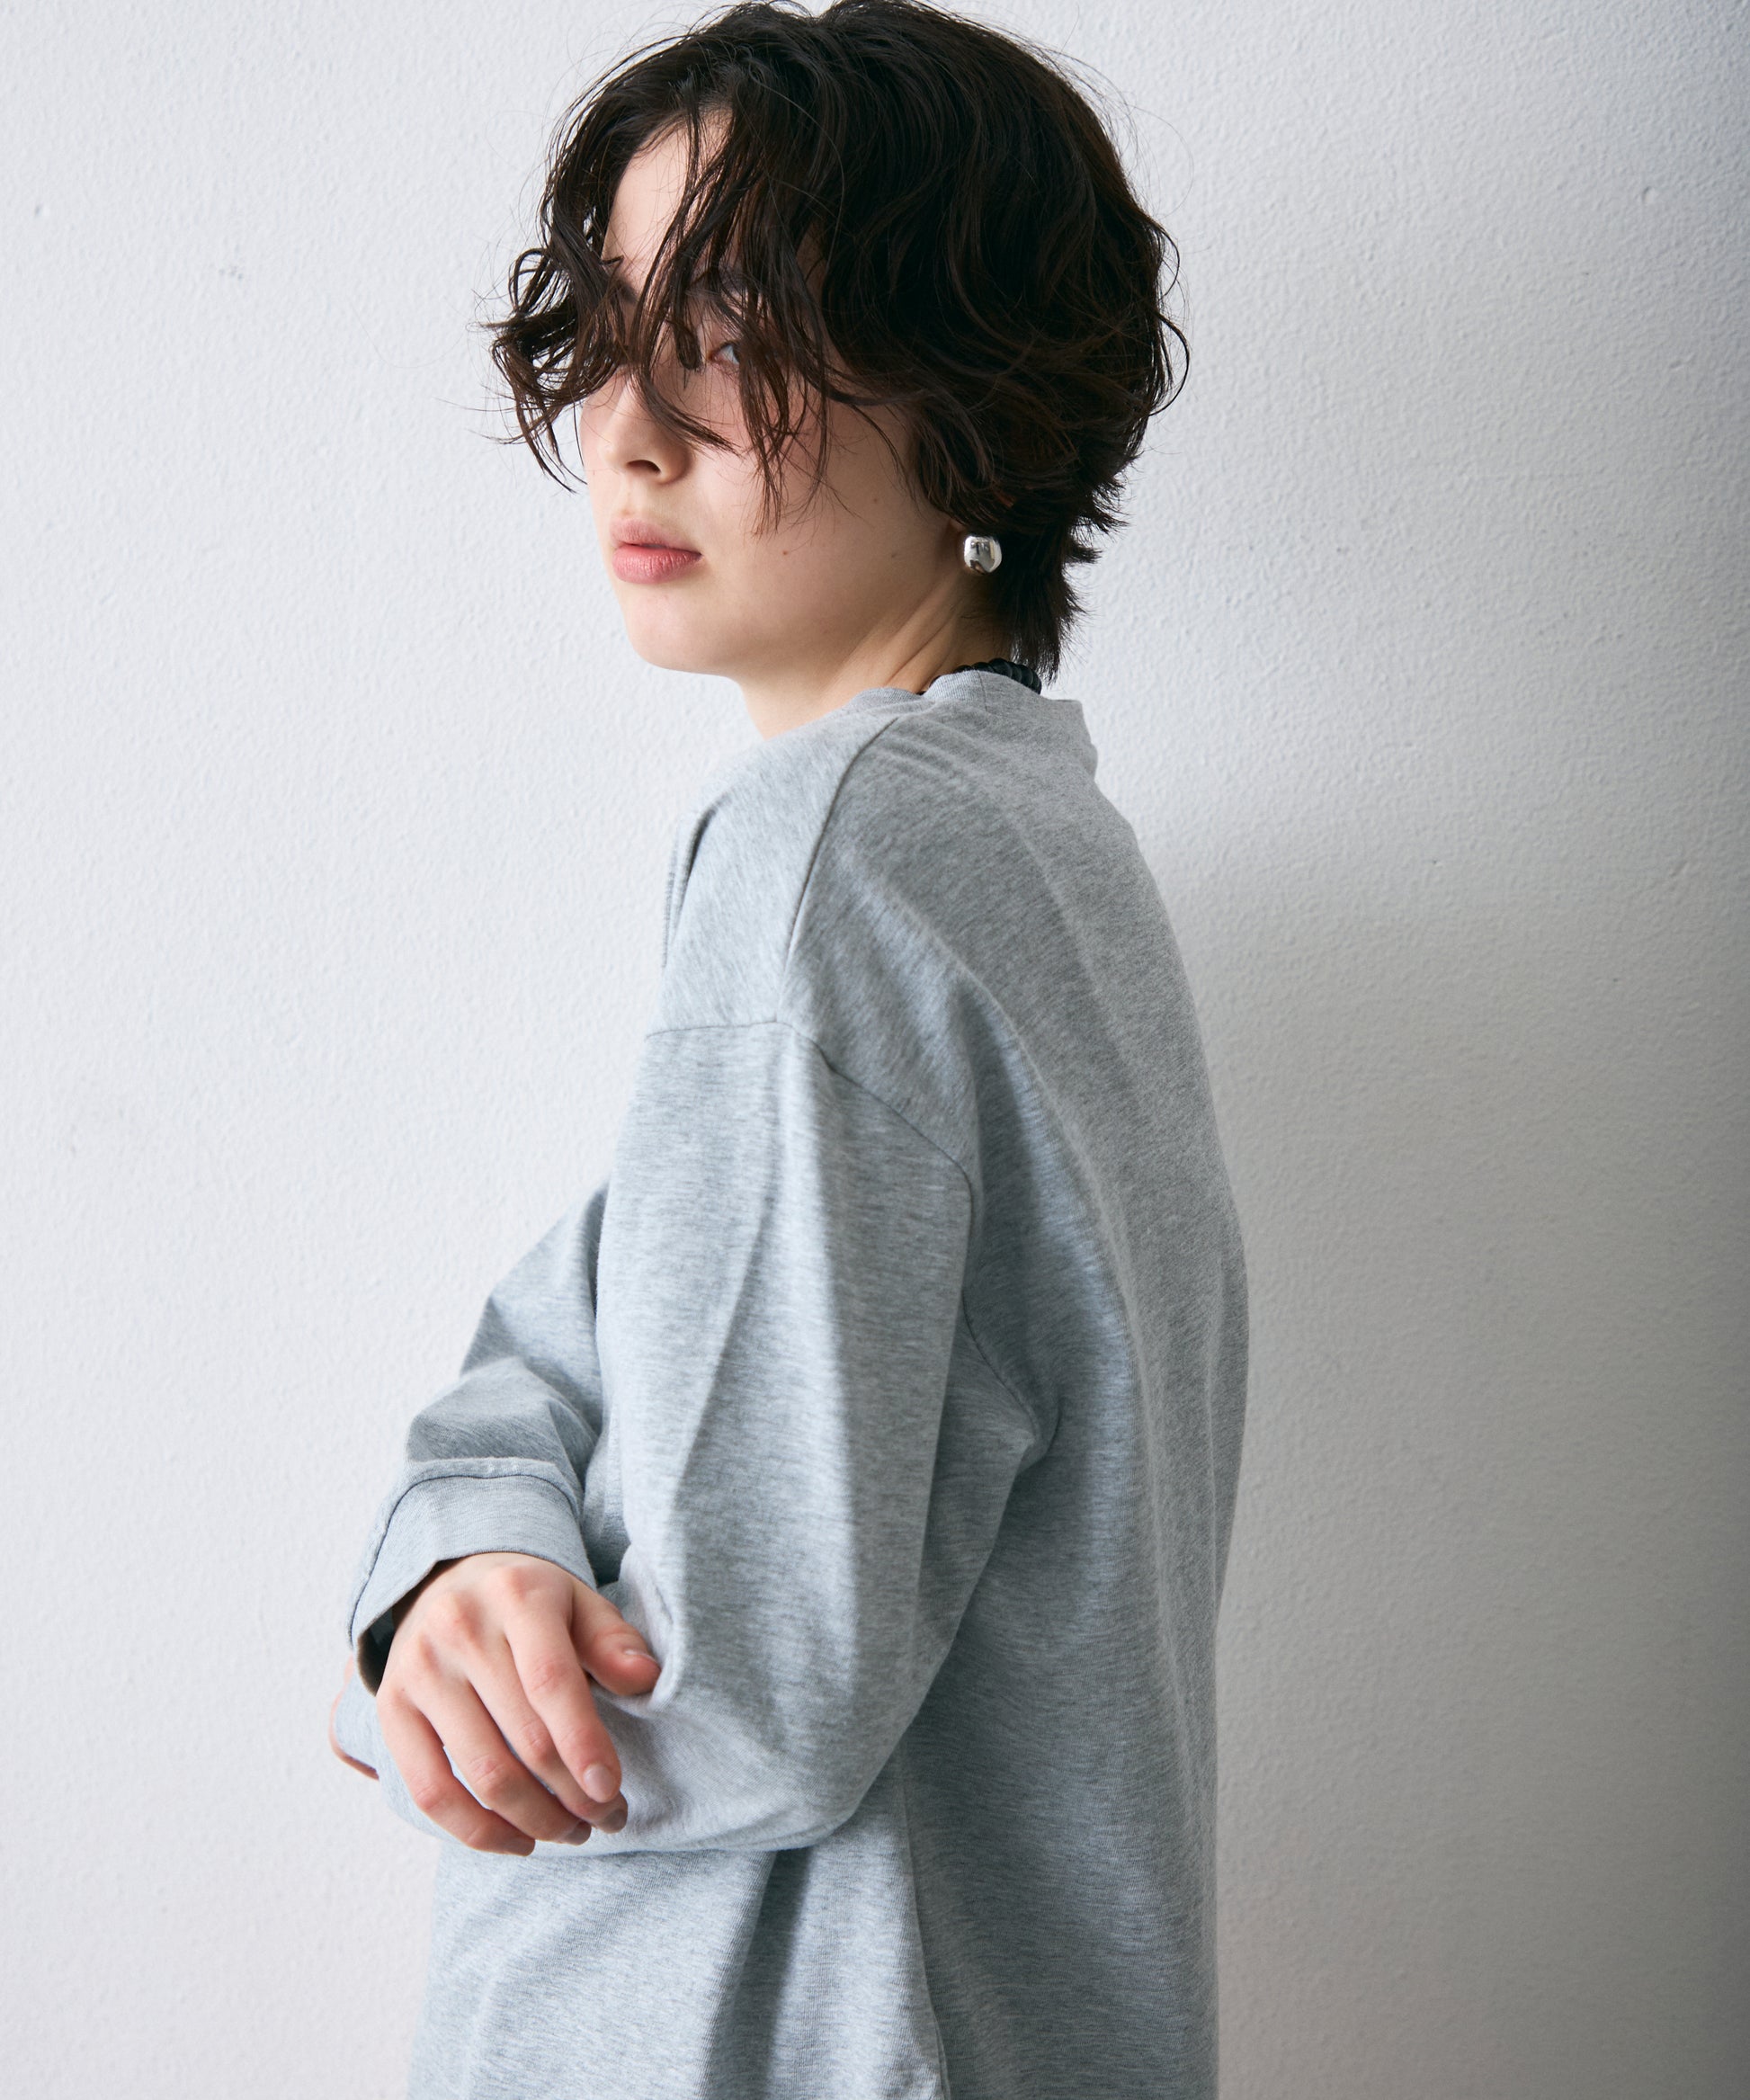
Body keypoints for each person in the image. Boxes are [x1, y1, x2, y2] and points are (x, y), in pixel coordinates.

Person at [327, 3, 1248, 2094]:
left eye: (734, 330)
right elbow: (555, 1344)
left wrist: (408, 1684)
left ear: (978, 400)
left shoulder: (840, 857)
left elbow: (735, 1686)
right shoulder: (1036, 845)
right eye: (609, 321)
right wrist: (476, 1542)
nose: (630, 426)